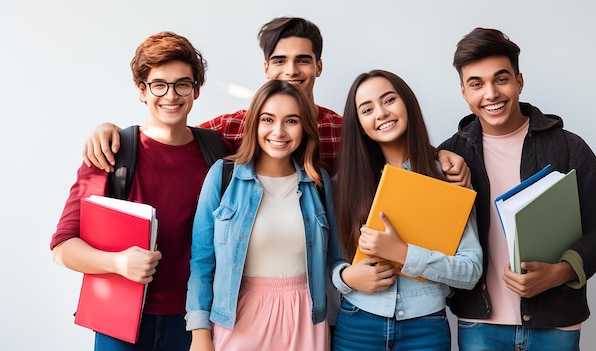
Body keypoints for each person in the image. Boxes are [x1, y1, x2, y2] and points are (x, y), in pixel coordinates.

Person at [80, 16, 470, 183]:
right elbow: (172, 132)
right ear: (266, 68)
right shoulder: (231, 126)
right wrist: (111, 128)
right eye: (280, 61)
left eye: (303, 60)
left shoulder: (340, 126)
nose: (291, 71)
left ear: (319, 66)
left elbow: (392, 145)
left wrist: (439, 155)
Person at [50, 32, 229, 350]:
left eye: (182, 84)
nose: (170, 95)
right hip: (120, 323)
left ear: (196, 90)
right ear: (142, 90)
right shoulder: (111, 152)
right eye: (159, 84)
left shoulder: (218, 151)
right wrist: (117, 263)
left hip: (196, 324)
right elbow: (63, 247)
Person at [439, 28, 596, 351]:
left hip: (556, 324)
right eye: (476, 84)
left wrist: (559, 273)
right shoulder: (451, 154)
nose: (491, 93)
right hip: (480, 326)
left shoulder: (570, 149)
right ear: (463, 92)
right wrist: (433, 154)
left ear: (519, 81)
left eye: (501, 79)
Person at [185, 79, 343, 351]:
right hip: (237, 316)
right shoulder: (223, 176)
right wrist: (199, 333)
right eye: (268, 119)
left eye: (291, 121)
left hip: (305, 319)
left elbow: (336, 259)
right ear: (254, 124)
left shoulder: (319, 183)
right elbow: (201, 262)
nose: (279, 132)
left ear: (304, 127)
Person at [330, 69, 483, 351]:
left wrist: (403, 254)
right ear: (359, 123)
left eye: (389, 100)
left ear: (407, 104)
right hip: (357, 325)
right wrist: (345, 277)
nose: (381, 113)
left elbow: (470, 271)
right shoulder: (342, 185)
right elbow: (329, 261)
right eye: (367, 109)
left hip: (426, 328)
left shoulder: (448, 176)